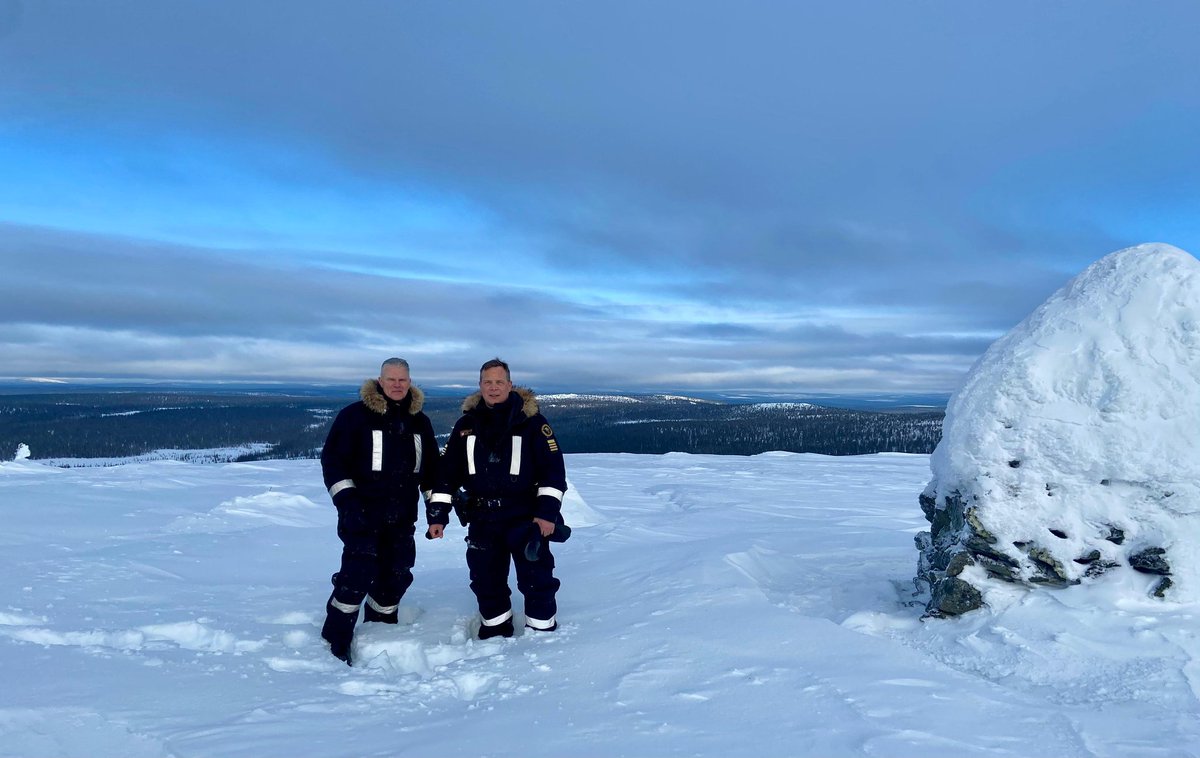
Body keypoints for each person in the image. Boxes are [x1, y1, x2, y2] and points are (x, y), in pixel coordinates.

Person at [428, 358, 569, 639]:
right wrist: (438, 516)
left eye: (499, 382)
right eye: (487, 382)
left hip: (525, 518)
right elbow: (447, 474)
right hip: (482, 519)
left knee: (536, 579)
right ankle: (495, 634)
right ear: (480, 386)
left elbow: (553, 473)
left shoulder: (532, 423)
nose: (493, 388)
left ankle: (543, 637)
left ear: (510, 384)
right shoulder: (465, 425)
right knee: (485, 580)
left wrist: (547, 514)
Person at [319, 358, 440, 665]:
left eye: (403, 380)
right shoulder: (355, 416)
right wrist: (347, 504)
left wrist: (436, 510)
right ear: (380, 381)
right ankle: (336, 639)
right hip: (361, 516)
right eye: (391, 379)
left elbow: (429, 471)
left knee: (396, 576)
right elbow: (333, 464)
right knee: (356, 576)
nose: (397, 385)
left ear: (410, 381)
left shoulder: (419, 422)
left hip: (402, 518)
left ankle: (380, 628)